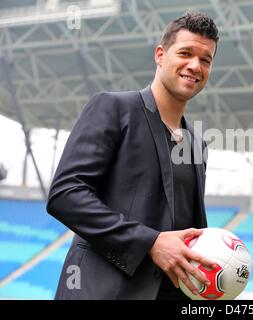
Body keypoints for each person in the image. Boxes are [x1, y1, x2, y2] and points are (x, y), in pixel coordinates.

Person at [46, 12, 219, 300]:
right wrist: (150, 242)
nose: (194, 66)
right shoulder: (113, 108)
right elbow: (65, 194)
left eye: (206, 59)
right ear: (160, 55)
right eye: (185, 53)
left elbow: (186, 235)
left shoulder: (197, 145)